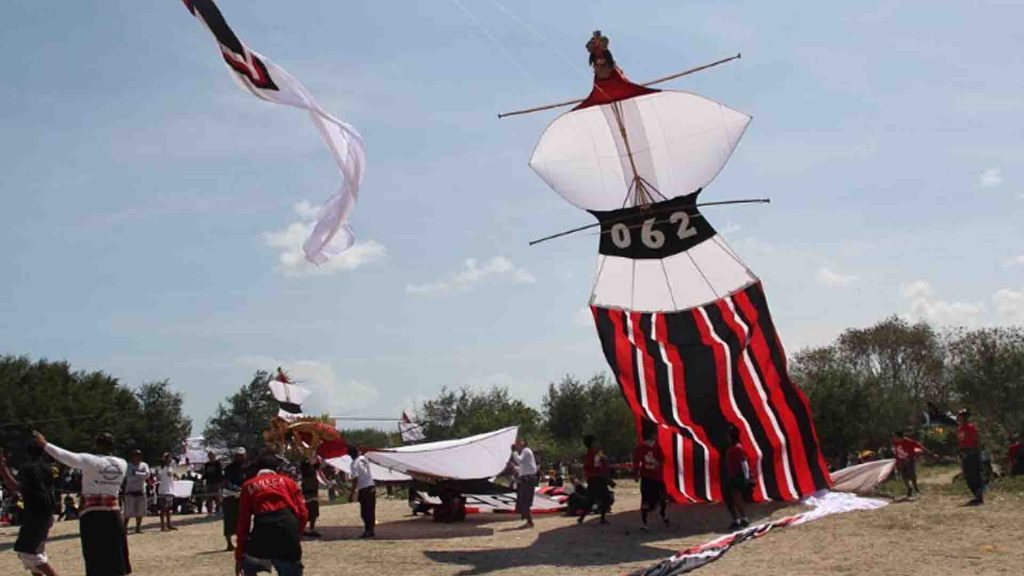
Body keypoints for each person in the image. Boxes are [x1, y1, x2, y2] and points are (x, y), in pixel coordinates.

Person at [35, 430, 131, 576]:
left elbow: (65, 456)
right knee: (116, 556)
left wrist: (45, 444)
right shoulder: (122, 464)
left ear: (96, 445)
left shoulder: (90, 460)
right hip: (114, 513)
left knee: (94, 556)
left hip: (92, 515)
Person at [236, 453, 307, 576]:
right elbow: (303, 513)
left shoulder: (249, 485)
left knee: (250, 564)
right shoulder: (289, 482)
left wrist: (239, 555)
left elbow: (244, 521)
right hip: (287, 526)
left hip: (263, 528)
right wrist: (296, 535)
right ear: (277, 468)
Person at [1, 444, 60, 576]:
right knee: (34, 553)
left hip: (35, 513)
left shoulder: (29, 468)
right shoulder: (48, 468)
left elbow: (16, 487)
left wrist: (3, 468)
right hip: (46, 512)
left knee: (29, 553)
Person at [633, 428, 669, 529]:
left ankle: (650, 519)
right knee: (649, 499)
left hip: (653, 477)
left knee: (656, 498)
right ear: (651, 435)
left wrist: (636, 473)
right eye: (655, 434)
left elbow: (662, 460)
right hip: (651, 477)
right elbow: (636, 462)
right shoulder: (643, 448)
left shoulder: (654, 446)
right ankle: (653, 517)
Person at [578, 435, 613, 525]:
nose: (598, 443)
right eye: (595, 442)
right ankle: (602, 519)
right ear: (592, 443)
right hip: (596, 479)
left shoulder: (595, 453)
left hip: (595, 479)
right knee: (606, 498)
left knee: (591, 500)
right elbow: (593, 468)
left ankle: (582, 517)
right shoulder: (593, 455)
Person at [723, 425, 752, 530]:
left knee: (736, 499)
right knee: (731, 499)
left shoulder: (737, 448)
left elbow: (744, 463)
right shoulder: (733, 448)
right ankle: (738, 520)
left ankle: (742, 519)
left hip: (735, 477)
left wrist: (746, 477)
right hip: (732, 476)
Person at [892, 430, 932, 498]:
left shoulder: (908, 441)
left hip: (909, 460)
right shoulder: (895, 443)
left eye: (895, 436)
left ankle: (916, 488)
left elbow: (920, 446)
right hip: (901, 461)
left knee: (912, 474)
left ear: (899, 437)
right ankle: (909, 489)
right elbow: (896, 451)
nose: (894, 438)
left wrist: (930, 453)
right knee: (904, 476)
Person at [957, 409, 985, 505]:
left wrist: (977, 453)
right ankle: (976, 495)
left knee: (975, 475)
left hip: (972, 453)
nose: (961, 418)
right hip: (964, 453)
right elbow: (961, 442)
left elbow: (976, 441)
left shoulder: (970, 428)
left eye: (963, 416)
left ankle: (979, 496)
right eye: (960, 416)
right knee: (968, 476)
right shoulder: (960, 429)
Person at [222, 447, 247, 551]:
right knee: (229, 519)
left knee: (243, 519)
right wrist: (236, 489)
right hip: (230, 495)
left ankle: (243, 542)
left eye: (241, 455)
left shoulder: (247, 467)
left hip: (244, 496)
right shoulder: (229, 468)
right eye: (237, 456)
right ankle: (229, 543)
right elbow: (226, 482)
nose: (239, 457)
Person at [348, 446, 376, 538]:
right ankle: (371, 531)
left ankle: (368, 531)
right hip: (371, 486)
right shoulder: (364, 459)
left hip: (364, 488)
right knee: (371, 510)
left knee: (365, 512)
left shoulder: (354, 464)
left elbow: (355, 479)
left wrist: (352, 493)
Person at [510, 438, 538, 529]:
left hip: (528, 479)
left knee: (524, 501)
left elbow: (519, 461)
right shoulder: (524, 453)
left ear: (524, 443)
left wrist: (513, 452)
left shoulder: (526, 451)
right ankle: (528, 521)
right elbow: (522, 468)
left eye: (519, 442)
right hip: (526, 479)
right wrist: (514, 467)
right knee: (523, 501)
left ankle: (529, 522)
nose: (517, 444)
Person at [122, 450, 149, 534]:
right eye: (135, 455)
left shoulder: (144, 465)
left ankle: (138, 528)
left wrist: (136, 473)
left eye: (139, 455)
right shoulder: (128, 466)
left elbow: (147, 475)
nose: (137, 457)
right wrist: (140, 474)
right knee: (128, 512)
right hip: (130, 491)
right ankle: (124, 528)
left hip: (141, 490)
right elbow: (128, 476)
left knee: (140, 511)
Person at [298, 459, 321, 538]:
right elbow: (316, 466)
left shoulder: (308, 470)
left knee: (311, 513)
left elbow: (317, 466)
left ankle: (309, 529)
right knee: (311, 512)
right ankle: (308, 529)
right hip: (309, 493)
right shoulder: (307, 470)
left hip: (310, 493)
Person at [156, 453, 178, 531]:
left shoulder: (171, 468)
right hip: (163, 490)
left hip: (170, 489)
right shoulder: (161, 468)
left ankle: (169, 524)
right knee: (163, 508)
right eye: (167, 458)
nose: (169, 460)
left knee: (169, 508)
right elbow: (160, 477)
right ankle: (162, 525)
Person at [203, 451, 224, 515]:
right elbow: (205, 474)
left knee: (217, 497)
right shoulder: (206, 464)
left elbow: (220, 473)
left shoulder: (218, 464)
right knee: (209, 498)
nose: (211, 457)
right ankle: (209, 512)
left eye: (212, 455)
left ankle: (218, 511)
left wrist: (221, 482)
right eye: (209, 456)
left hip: (216, 483)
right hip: (209, 483)